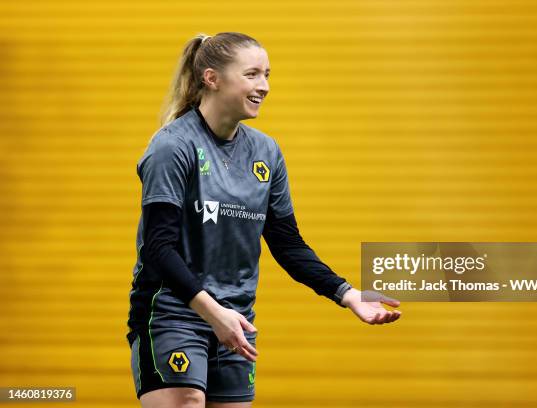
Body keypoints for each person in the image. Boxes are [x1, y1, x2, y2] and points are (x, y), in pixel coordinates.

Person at [127, 32, 402, 408]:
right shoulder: (172, 147)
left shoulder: (266, 152)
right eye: (253, 74)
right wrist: (212, 313)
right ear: (212, 78)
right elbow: (159, 247)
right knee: (188, 399)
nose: (265, 86)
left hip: (237, 321)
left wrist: (348, 294)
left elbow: (288, 245)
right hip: (174, 315)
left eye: (267, 75)